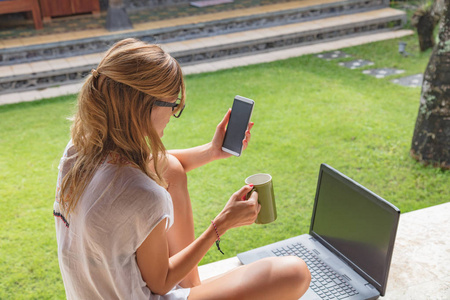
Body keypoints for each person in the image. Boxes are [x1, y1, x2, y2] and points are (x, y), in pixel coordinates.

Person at [53, 38, 311, 300]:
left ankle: (192, 285)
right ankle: (192, 289)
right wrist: (221, 225)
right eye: (173, 105)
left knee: (171, 168)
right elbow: (160, 283)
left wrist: (212, 151)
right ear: (143, 107)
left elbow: (159, 163)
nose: (174, 112)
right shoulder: (143, 196)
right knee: (294, 272)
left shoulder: (79, 149)